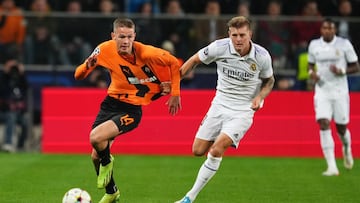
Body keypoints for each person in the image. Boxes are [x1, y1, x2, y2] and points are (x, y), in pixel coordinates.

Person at [74, 18, 181, 203]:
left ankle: (108, 162)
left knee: (95, 138)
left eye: (129, 37)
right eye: (121, 36)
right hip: (110, 104)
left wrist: (175, 94)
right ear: (113, 36)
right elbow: (78, 75)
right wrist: (87, 66)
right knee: (94, 156)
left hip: (131, 111)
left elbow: (173, 63)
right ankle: (112, 192)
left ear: (134, 37)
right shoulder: (104, 49)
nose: (125, 41)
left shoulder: (147, 53)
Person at [175, 16, 275, 203]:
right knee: (197, 150)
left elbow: (270, 80)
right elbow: (194, 59)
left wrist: (260, 97)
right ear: (229, 34)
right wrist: (175, 84)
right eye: (235, 35)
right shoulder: (219, 47)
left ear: (250, 35)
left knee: (216, 149)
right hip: (219, 104)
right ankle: (220, 140)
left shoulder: (262, 56)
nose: (238, 39)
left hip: (243, 111)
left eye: (242, 35)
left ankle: (189, 197)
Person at [307, 18, 360, 176]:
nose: (327, 31)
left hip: (339, 91)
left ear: (334, 30)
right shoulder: (314, 45)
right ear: (321, 30)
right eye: (325, 28)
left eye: (330, 28)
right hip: (322, 89)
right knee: (323, 123)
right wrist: (312, 73)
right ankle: (332, 167)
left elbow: (356, 66)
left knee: (341, 128)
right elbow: (310, 65)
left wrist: (342, 71)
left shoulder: (344, 44)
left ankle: (346, 147)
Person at [0, 58, 29, 152]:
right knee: (11, 116)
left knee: (25, 121)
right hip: (3, 111)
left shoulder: (19, 79)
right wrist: (5, 73)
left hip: (18, 112)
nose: (13, 69)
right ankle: (8, 143)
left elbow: (27, 87)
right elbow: (2, 90)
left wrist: (22, 73)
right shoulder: (3, 78)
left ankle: (20, 145)